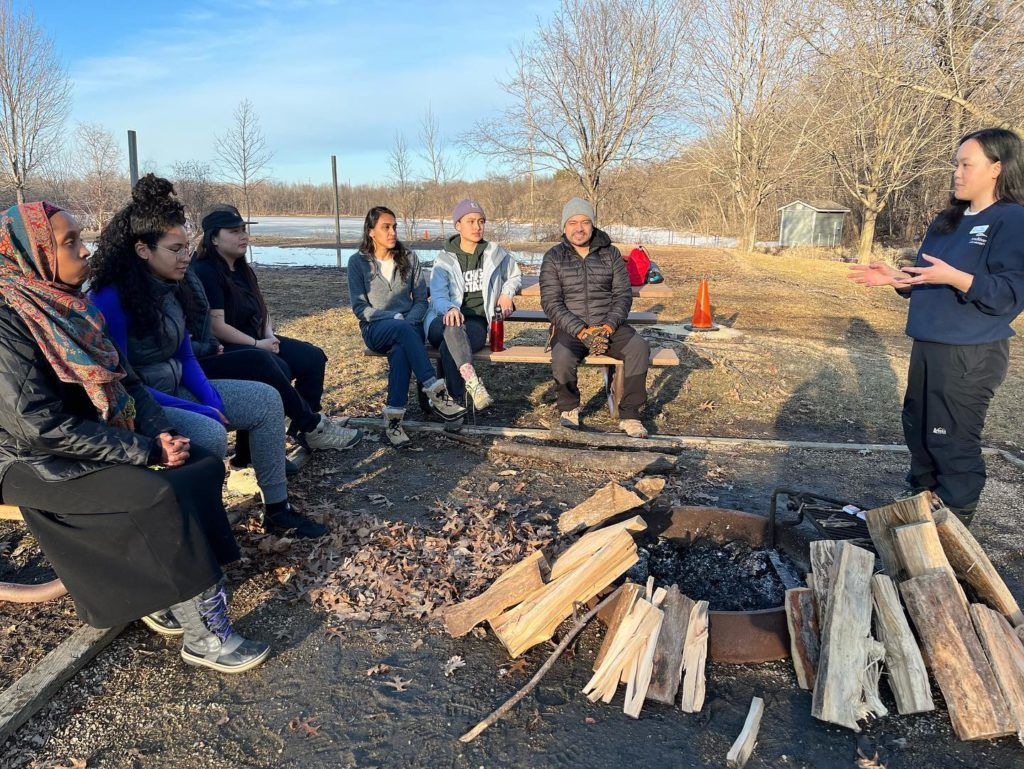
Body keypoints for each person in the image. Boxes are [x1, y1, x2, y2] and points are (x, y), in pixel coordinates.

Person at [0, 201, 269, 673]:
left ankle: (172, 591)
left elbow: (126, 382)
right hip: (28, 462)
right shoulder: (9, 323)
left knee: (200, 464)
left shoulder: (69, 307)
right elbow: (39, 426)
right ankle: (203, 635)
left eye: (82, 239)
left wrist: (160, 434)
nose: (85, 251)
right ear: (33, 252)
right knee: (156, 493)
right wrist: (144, 450)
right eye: (69, 243)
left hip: (88, 440)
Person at [89, 175, 328, 539]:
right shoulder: (109, 299)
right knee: (209, 432)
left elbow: (185, 355)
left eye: (187, 247)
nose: (186, 256)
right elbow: (125, 384)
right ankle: (206, 529)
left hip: (180, 388)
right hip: (142, 403)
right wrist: (204, 411)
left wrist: (211, 399)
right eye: (176, 249)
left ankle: (278, 511)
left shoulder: (171, 287)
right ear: (142, 250)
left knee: (266, 399)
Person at [850, 127, 1024, 526]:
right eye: (956, 165)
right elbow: (929, 276)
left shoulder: (1012, 220)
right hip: (929, 342)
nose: (958, 173)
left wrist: (956, 278)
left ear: (997, 168)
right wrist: (896, 277)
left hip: (971, 351)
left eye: (967, 165)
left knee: (952, 441)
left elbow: (1011, 293)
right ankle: (919, 509)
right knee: (919, 431)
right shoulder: (948, 220)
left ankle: (952, 531)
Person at [192, 204, 360, 453]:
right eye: (234, 231)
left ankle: (301, 429)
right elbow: (217, 326)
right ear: (214, 238)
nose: (243, 236)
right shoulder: (205, 271)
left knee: (311, 357)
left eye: (243, 230)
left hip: (256, 338)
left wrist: (268, 335)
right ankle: (306, 429)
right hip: (225, 346)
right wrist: (259, 345)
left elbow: (261, 307)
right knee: (273, 366)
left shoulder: (241, 267)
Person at [348, 206, 466, 448]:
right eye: (386, 227)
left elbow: (422, 300)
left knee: (401, 350)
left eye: (394, 227)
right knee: (401, 332)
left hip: (408, 328)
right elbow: (360, 308)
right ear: (371, 231)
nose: (392, 232)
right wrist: (393, 319)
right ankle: (436, 391)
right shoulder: (357, 262)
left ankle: (393, 423)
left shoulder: (410, 258)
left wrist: (408, 321)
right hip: (375, 328)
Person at [540, 197, 651, 439]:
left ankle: (630, 414)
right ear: (564, 226)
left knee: (639, 348)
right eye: (572, 222)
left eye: (585, 222)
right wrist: (581, 331)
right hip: (571, 329)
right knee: (561, 358)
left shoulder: (610, 254)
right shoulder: (553, 257)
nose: (579, 228)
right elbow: (551, 303)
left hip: (608, 325)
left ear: (593, 225)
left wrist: (609, 326)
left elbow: (622, 295)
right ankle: (569, 408)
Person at [424, 199, 522, 408]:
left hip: (474, 323)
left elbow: (514, 275)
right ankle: (471, 385)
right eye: (470, 221)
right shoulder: (444, 260)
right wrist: (449, 308)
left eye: (481, 221)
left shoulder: (495, 254)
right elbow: (438, 294)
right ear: (458, 225)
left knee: (449, 345)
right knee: (451, 326)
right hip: (440, 320)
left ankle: (452, 404)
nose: (477, 227)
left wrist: (506, 293)